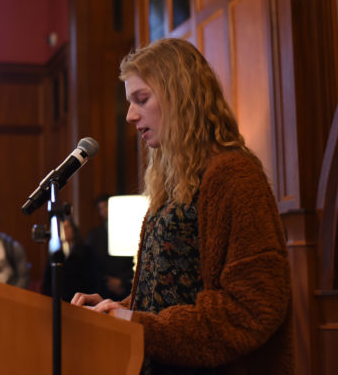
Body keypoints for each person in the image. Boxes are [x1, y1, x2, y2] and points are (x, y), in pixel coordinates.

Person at [71, 38, 293, 375]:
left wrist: (139, 324)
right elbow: (170, 295)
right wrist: (117, 309)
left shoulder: (234, 175)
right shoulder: (173, 183)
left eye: (141, 99)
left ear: (180, 96)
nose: (130, 115)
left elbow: (254, 306)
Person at [85, 194, 134, 300]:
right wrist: (107, 280)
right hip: (101, 288)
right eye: (100, 208)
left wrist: (121, 281)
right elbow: (90, 263)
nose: (104, 211)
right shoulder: (94, 235)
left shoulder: (128, 231)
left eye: (106, 206)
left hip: (126, 287)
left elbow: (134, 259)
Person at [41, 216, 97, 302]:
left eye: (66, 228)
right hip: (58, 300)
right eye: (61, 228)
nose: (63, 231)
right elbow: (48, 280)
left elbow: (91, 279)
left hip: (79, 300)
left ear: (73, 229)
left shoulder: (85, 252)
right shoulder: (56, 252)